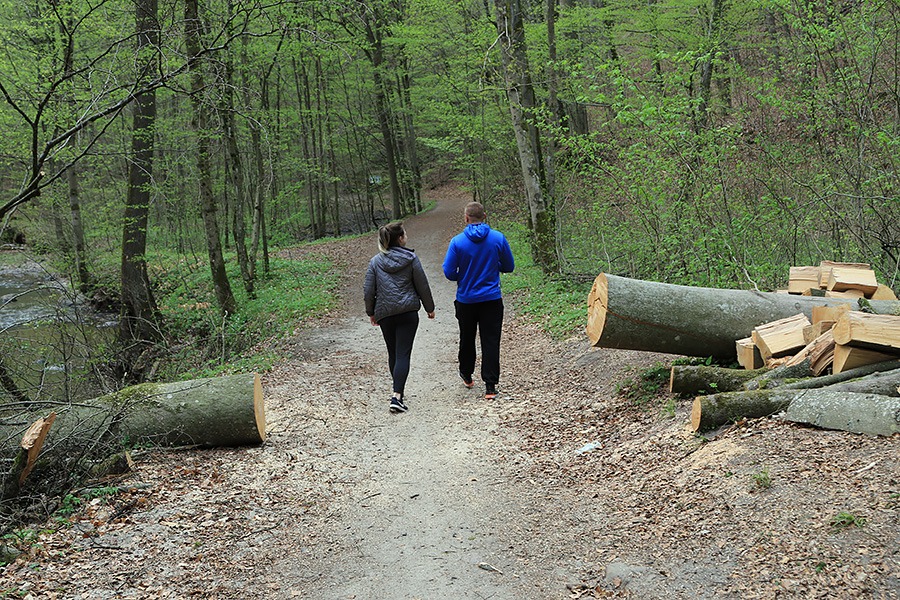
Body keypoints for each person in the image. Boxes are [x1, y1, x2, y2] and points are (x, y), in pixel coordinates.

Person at [442, 201, 515, 400]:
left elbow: (449, 272)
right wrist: (493, 266)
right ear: (485, 216)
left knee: (467, 337)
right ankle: (490, 386)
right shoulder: (498, 238)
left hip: (466, 300)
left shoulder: (457, 242)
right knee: (491, 340)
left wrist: (463, 275)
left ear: (466, 218)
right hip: (491, 299)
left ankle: (467, 375)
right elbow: (509, 266)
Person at [364, 221, 436, 414]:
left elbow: (369, 290)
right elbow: (422, 285)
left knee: (393, 353)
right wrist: (430, 308)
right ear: (400, 238)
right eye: (405, 233)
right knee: (403, 353)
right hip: (407, 313)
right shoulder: (411, 259)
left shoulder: (375, 262)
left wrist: (371, 312)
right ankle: (397, 396)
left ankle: (398, 393)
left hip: (385, 315)